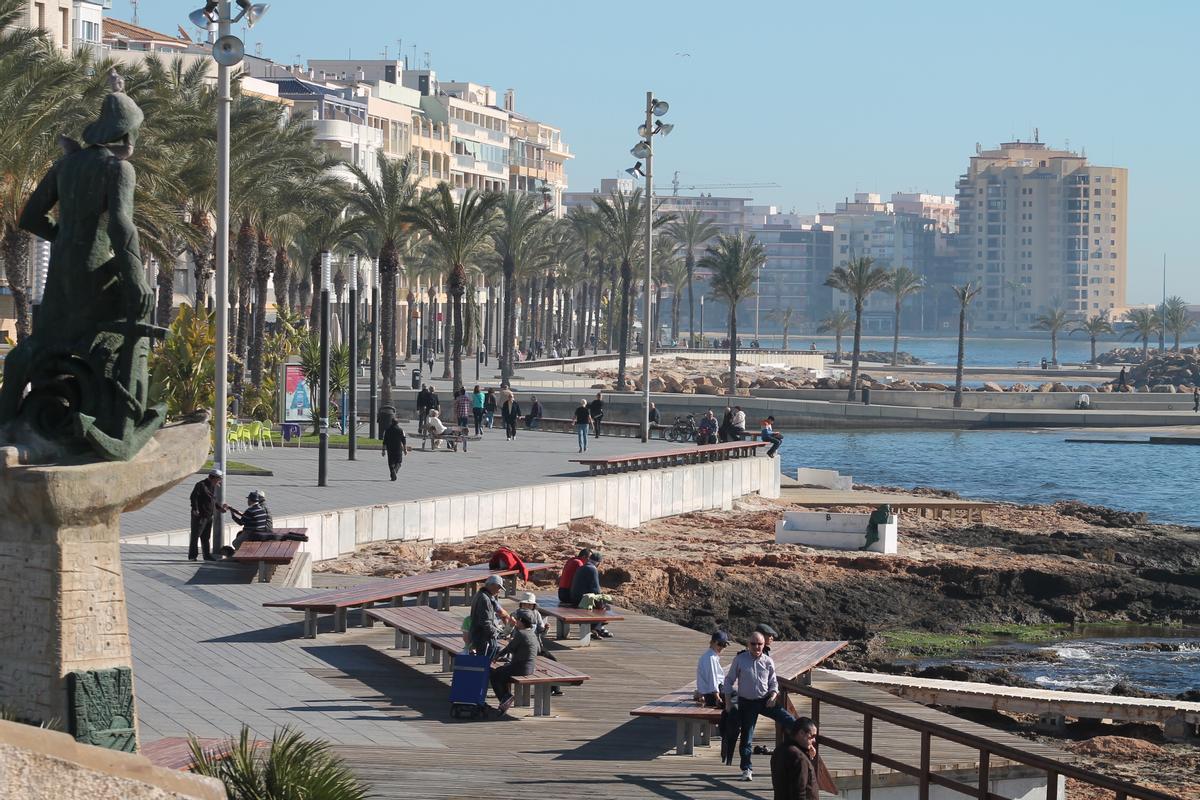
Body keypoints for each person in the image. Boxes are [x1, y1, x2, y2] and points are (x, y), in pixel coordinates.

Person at [724, 631, 786, 781]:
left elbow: (773, 682)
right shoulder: (740, 659)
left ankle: (802, 747)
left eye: (759, 644)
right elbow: (728, 680)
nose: (756, 647)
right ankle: (746, 769)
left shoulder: (768, 661)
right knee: (747, 738)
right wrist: (727, 703)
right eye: (753, 644)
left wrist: (773, 695)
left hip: (765, 700)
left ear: (764, 645)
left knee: (789, 720)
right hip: (747, 702)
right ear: (748, 644)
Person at [490, 609, 538, 713]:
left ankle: (505, 698)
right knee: (502, 671)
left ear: (521, 621)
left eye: (516, 619)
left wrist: (497, 656)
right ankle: (506, 696)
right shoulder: (531, 633)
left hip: (521, 667)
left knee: (494, 674)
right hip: (530, 667)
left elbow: (509, 648)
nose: (515, 621)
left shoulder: (521, 634)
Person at [771, 717, 820, 800]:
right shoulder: (799, 757)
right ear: (801, 733)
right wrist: (805, 758)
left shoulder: (779, 750)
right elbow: (799, 791)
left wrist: (808, 757)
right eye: (812, 736)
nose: (814, 740)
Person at [570, 551, 612, 639]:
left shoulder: (582, 567)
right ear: (598, 563)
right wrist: (602, 600)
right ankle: (596, 628)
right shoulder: (592, 569)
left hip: (574, 598)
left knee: (600, 605)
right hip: (581, 600)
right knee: (605, 607)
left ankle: (597, 628)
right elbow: (596, 589)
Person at [188, 468, 223, 561]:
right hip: (199, 516)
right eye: (220, 478)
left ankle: (206, 555)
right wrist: (195, 509)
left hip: (208, 516)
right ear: (214, 478)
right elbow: (193, 497)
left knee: (206, 537)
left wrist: (219, 508)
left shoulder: (213, 486)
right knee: (195, 536)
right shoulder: (201, 485)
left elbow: (212, 500)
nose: (220, 481)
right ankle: (192, 556)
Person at [469, 574, 507, 656]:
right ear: (492, 585)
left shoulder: (481, 594)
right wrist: (496, 633)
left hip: (478, 635)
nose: (499, 590)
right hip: (483, 638)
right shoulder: (485, 599)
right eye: (499, 587)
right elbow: (486, 622)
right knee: (484, 663)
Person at [696, 630, 730, 707]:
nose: (721, 647)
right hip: (713, 695)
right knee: (742, 697)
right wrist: (717, 698)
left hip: (708, 694)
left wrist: (700, 694)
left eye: (724, 645)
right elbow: (713, 679)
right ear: (712, 642)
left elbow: (700, 679)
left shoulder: (707, 656)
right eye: (719, 644)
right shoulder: (711, 658)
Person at [382, 416, 407, 481]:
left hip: (389, 448)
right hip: (398, 448)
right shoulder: (401, 430)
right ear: (397, 423)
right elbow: (403, 440)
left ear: (391, 422)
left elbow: (384, 441)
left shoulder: (387, 430)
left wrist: (383, 450)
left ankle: (393, 471)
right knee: (398, 462)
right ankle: (395, 471)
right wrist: (405, 449)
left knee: (391, 462)